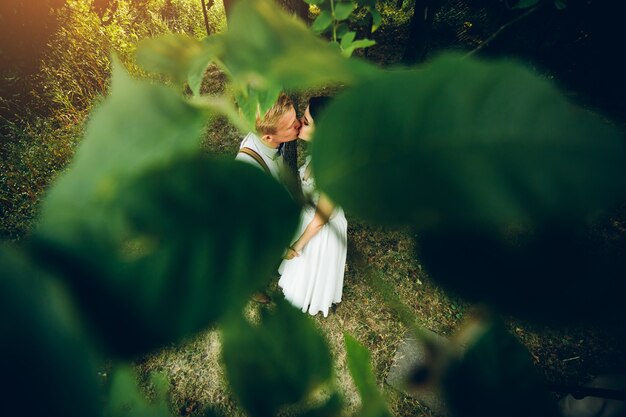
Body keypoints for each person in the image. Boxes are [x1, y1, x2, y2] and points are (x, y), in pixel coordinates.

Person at [278, 96, 348, 317]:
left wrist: (297, 245)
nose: (299, 122)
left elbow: (320, 220)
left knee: (309, 264)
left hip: (321, 231)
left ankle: (311, 297)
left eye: (306, 122)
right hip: (308, 219)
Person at [235, 92, 301, 303]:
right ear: (268, 137)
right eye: (291, 125)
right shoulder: (249, 169)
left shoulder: (268, 142)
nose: (299, 124)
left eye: (296, 118)